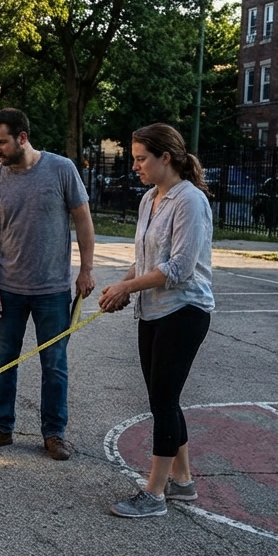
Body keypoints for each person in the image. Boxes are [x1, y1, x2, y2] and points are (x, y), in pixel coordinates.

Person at [99, 123, 214, 518]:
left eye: (141, 158)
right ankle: (183, 483)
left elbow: (179, 268)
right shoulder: (150, 199)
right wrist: (123, 284)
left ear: (166, 157)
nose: (135, 166)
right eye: (134, 158)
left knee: (163, 400)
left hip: (185, 311)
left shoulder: (190, 201)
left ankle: (155, 493)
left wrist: (127, 289)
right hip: (152, 310)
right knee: (163, 399)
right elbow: (147, 260)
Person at [0, 109, 96, 460]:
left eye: (1, 142)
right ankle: (0, 428)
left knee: (54, 363)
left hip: (53, 291)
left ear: (22, 138)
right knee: (3, 360)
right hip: (8, 289)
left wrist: (86, 270)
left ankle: (54, 434)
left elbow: (83, 220)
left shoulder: (61, 170)